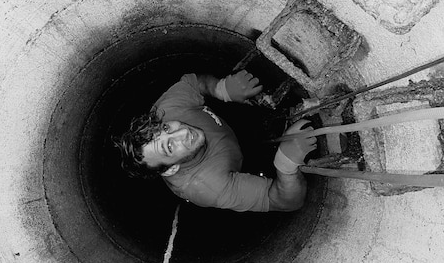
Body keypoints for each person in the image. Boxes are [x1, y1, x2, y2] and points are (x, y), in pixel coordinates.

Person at [115, 70, 317, 212]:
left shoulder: (165, 111)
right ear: (171, 169)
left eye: (166, 129)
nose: (181, 133)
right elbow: (284, 202)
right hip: (239, 161)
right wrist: (286, 164)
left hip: (229, 126)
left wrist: (221, 89)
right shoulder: (209, 187)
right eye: (169, 147)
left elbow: (193, 82)